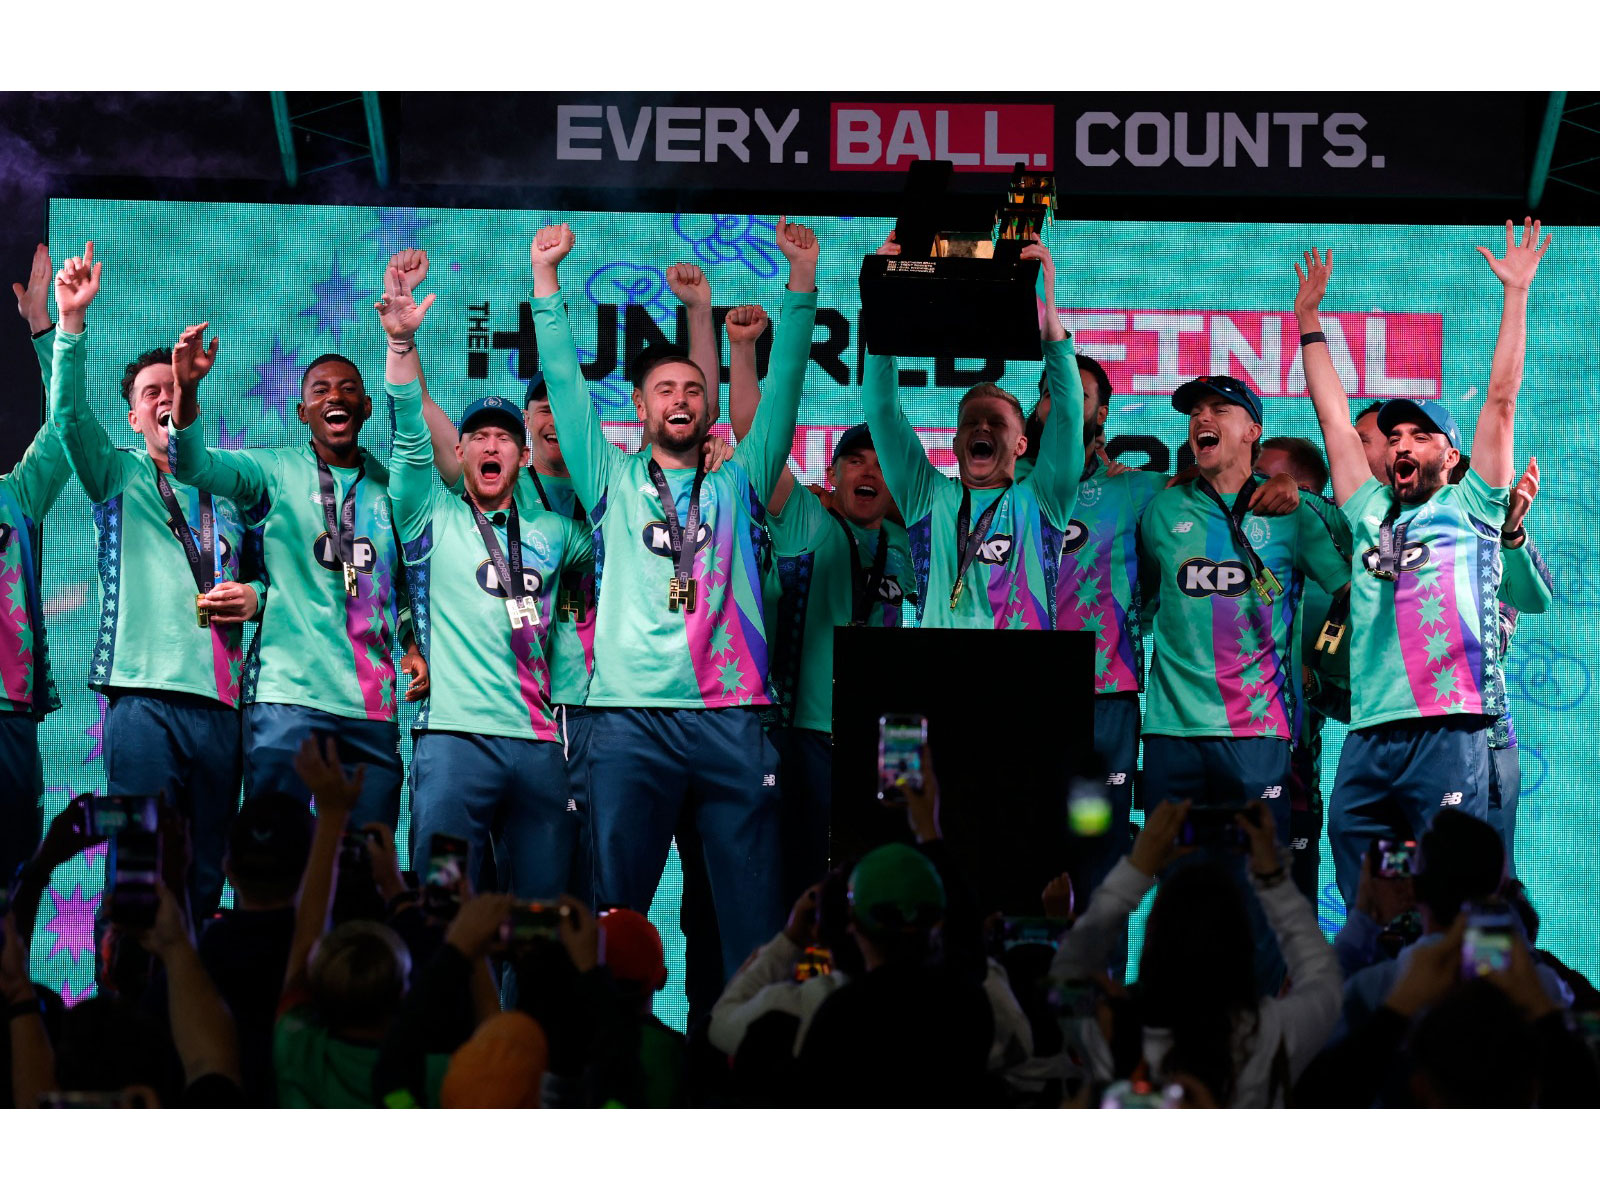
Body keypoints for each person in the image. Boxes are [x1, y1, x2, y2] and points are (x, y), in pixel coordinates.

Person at [527, 218, 818, 1022]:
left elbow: (786, 386)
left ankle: (748, 1065)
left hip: (732, 719)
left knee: (753, 927)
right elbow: (564, 381)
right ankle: (606, 1063)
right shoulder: (610, 478)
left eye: (693, 390)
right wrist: (547, 283)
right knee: (613, 922)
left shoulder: (741, 481)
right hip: (629, 723)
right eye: (665, 390)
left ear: (708, 407)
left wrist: (801, 283)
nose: (681, 400)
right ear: (640, 406)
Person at [1293, 220, 1551, 906]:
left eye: (1421, 435)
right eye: (1394, 435)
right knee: (1366, 893)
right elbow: (1333, 419)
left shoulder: (1473, 504)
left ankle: (1467, 974)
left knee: (1453, 894)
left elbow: (1501, 398)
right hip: (1370, 734)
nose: (1401, 444)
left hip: (1449, 728)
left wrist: (1517, 293)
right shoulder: (1368, 509)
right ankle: (1383, 972)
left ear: (1452, 454)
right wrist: (1310, 322)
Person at [47, 242, 263, 919]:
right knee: (140, 872)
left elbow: (272, 580)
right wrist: (71, 323)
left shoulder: (231, 488)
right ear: (135, 417)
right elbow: (68, 418)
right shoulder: (116, 474)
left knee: (205, 877)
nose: (166, 400)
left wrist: (256, 597)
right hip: (141, 701)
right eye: (151, 394)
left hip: (221, 707)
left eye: (175, 389)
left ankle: (193, 986)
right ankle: (123, 987)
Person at [377, 250, 593, 901]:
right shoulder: (427, 513)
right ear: (460, 450)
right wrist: (401, 343)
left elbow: (630, 550)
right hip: (453, 750)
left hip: (536, 750)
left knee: (539, 914)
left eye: (504, 437)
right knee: (445, 904)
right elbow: (409, 425)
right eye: (478, 436)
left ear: (522, 455)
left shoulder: (557, 534)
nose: (491, 444)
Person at [167, 296, 427, 831]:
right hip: (287, 702)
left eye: (348, 389)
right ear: (302, 411)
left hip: (371, 711)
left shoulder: (393, 488)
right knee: (275, 858)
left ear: (367, 407)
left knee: (365, 864)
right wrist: (187, 391)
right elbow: (192, 466)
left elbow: (401, 586)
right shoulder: (273, 471)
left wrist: (411, 644)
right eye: (321, 390)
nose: (335, 397)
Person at [1135, 375, 1348, 990]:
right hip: (1171, 733)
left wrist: (1321, 661)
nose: (1202, 418)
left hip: (1256, 735)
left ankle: (1260, 1027)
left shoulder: (1292, 514)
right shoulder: (1163, 509)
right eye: (1194, 412)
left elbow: (1348, 589)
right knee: (1176, 887)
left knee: (1260, 888)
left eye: (1218, 409)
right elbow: (1140, 598)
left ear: (1253, 430)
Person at [725, 301, 915, 906]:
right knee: (805, 882)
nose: (868, 471)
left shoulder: (910, 542)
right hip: (808, 732)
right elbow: (756, 436)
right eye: (854, 460)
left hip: (889, 735)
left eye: (880, 463)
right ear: (831, 476)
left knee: (885, 875)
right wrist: (744, 351)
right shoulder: (807, 518)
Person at [1050, 798, 1341, 1107]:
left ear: (1152, 943)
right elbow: (1324, 977)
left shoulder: (1112, 1033)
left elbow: (1065, 974)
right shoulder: (1274, 1034)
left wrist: (1139, 867)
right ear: (1244, 948)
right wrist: (1272, 878)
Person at [862, 233, 1084, 630]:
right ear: (955, 443)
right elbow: (882, 412)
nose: (982, 426)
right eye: (971, 422)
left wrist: (1049, 313)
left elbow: (1067, 414)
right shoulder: (927, 497)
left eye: (996, 423)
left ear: (1021, 444)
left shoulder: (1043, 501)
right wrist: (883, 303)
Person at [1025, 352, 1166, 963]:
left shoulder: (1135, 489)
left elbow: (1219, 494)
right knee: (1024, 853)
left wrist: (1284, 487)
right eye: (1048, 389)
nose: (1059, 400)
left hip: (1101, 706)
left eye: (1075, 392)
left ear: (1102, 413)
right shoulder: (1006, 485)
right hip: (1021, 701)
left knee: (1093, 858)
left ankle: (1098, 999)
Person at [1333, 809, 1569, 1040]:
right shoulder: (1539, 989)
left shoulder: (1377, 988)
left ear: (1415, 889)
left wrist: (1364, 918)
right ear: (1502, 888)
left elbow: (1328, 1015)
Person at [796, 841, 995, 1108]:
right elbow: (968, 945)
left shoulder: (841, 1014)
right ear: (937, 920)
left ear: (853, 922)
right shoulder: (971, 1003)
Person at [1, 244, 71, 886]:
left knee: (14, 875)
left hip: (7, 713)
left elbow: (65, 426)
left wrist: (46, 329)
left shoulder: (14, 496)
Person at [1257, 435, 1351, 901]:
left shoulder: (1336, 532)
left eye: (1262, 476)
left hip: (1294, 763)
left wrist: (1314, 688)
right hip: (1235, 741)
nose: (1253, 486)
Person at [1484, 456, 1552, 878]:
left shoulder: (1500, 551)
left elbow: (1537, 600)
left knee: (1488, 880)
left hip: (1485, 738)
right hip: (1400, 738)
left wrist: (1510, 532)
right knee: (1397, 877)